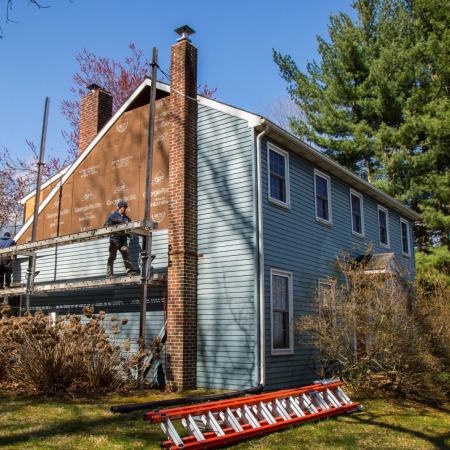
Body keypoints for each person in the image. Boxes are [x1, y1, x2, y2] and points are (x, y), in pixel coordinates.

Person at [105, 200, 140, 277]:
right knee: (112, 256)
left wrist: (129, 234)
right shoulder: (113, 216)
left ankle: (129, 271)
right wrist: (113, 222)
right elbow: (105, 225)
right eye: (124, 207)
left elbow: (129, 228)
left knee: (126, 255)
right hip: (114, 239)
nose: (125, 209)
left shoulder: (126, 218)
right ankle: (109, 274)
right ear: (120, 207)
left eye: (125, 207)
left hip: (123, 240)